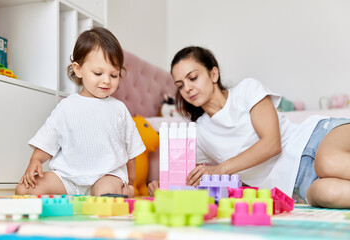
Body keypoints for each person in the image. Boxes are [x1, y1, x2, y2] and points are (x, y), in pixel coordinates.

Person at [149, 46, 350, 209]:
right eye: (180, 85)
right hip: (299, 185)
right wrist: (162, 186)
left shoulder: (246, 90)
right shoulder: (200, 134)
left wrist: (220, 169)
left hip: (316, 138)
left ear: (213, 74)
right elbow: (186, 178)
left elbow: (272, 144)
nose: (187, 88)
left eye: (192, 78)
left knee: (327, 162)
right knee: (327, 193)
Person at [15, 27, 145, 197]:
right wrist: (35, 161)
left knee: (106, 196)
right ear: (78, 69)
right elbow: (48, 141)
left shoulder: (119, 109)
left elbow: (131, 151)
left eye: (114, 75)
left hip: (105, 177)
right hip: (67, 179)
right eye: (98, 73)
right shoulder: (67, 106)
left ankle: (121, 192)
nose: (106, 80)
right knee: (24, 190)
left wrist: (130, 182)